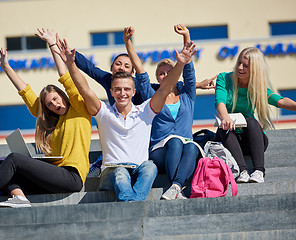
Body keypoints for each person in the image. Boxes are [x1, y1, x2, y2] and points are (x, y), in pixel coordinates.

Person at [0, 29, 91, 211]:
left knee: (14, 159)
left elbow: (65, 77)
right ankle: (20, 199)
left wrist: (51, 43)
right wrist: (6, 67)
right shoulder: (53, 122)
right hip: (54, 176)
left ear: (63, 94)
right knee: (1, 170)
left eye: (56, 98)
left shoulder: (79, 109)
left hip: (71, 176)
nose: (54, 104)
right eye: (50, 104)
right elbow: (26, 93)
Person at [55, 34, 197, 201]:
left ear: (134, 92)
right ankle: (134, 205)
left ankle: (130, 204)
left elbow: (164, 89)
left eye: (127, 89)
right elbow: (85, 89)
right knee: (121, 172)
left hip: (138, 171)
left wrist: (180, 64)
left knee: (150, 167)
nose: (122, 93)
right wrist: (71, 64)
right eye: (118, 89)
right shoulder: (104, 113)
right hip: (112, 173)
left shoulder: (145, 111)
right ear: (112, 92)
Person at [123, 25, 205, 200]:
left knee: (191, 145)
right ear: (157, 78)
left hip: (185, 150)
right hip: (159, 151)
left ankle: (176, 187)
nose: (165, 75)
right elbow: (139, 69)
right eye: (161, 73)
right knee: (175, 141)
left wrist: (186, 36)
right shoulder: (151, 96)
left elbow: (188, 70)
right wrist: (127, 42)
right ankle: (176, 187)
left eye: (169, 72)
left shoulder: (187, 94)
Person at [215, 47, 296, 183]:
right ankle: (243, 171)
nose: (240, 67)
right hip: (230, 140)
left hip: (251, 140)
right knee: (223, 129)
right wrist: (226, 117)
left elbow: (280, 101)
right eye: (239, 63)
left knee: (252, 121)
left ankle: (259, 171)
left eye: (245, 66)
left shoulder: (257, 86)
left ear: (255, 69)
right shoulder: (223, 78)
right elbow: (220, 102)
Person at [74, 32, 214, 106]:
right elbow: (88, 67)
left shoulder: (140, 85)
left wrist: (199, 85)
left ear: (133, 73)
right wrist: (68, 53)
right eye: (118, 64)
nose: (121, 67)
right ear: (111, 68)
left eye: (127, 65)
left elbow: (166, 86)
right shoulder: (107, 79)